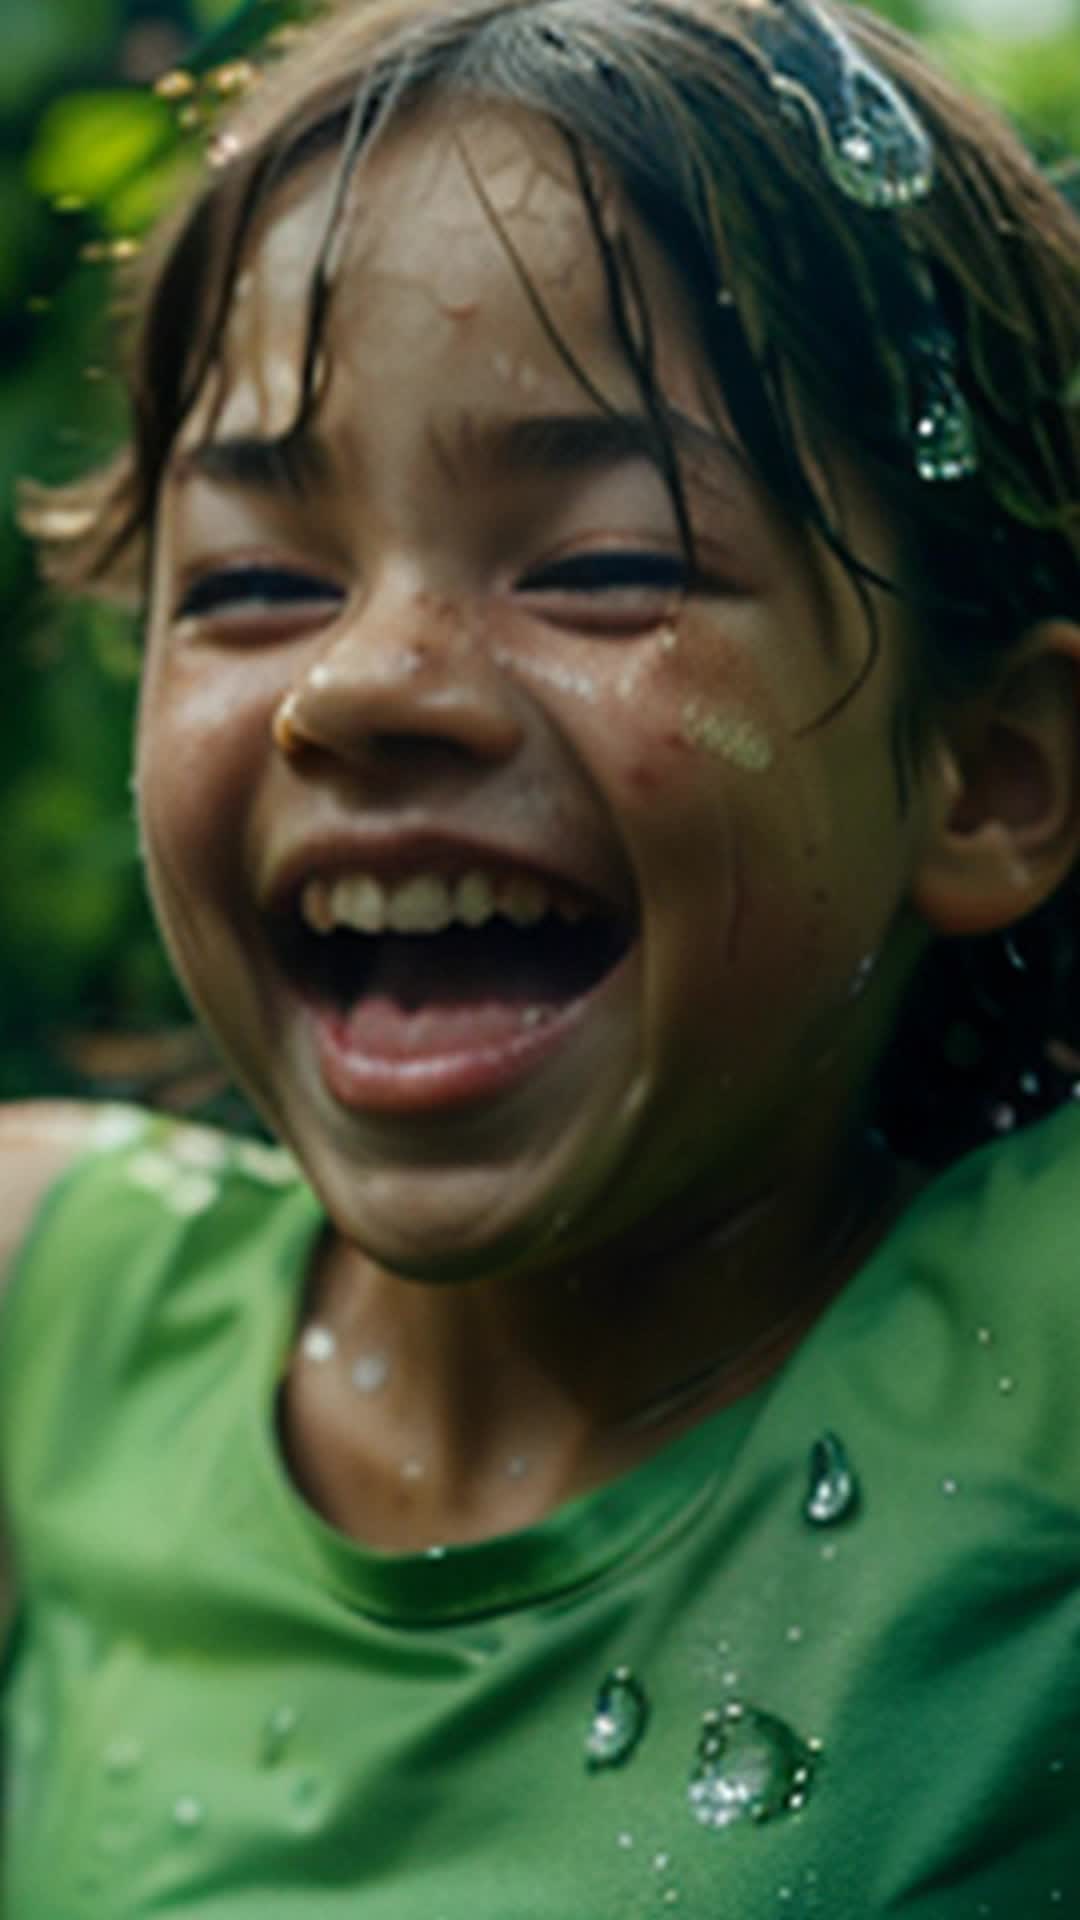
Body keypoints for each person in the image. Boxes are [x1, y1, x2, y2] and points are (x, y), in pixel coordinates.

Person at [3, 0, 1080, 1909]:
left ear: (984, 775)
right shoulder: (50, 1316)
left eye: (603, 561)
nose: (359, 686)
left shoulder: (1033, 1365)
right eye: (255, 583)